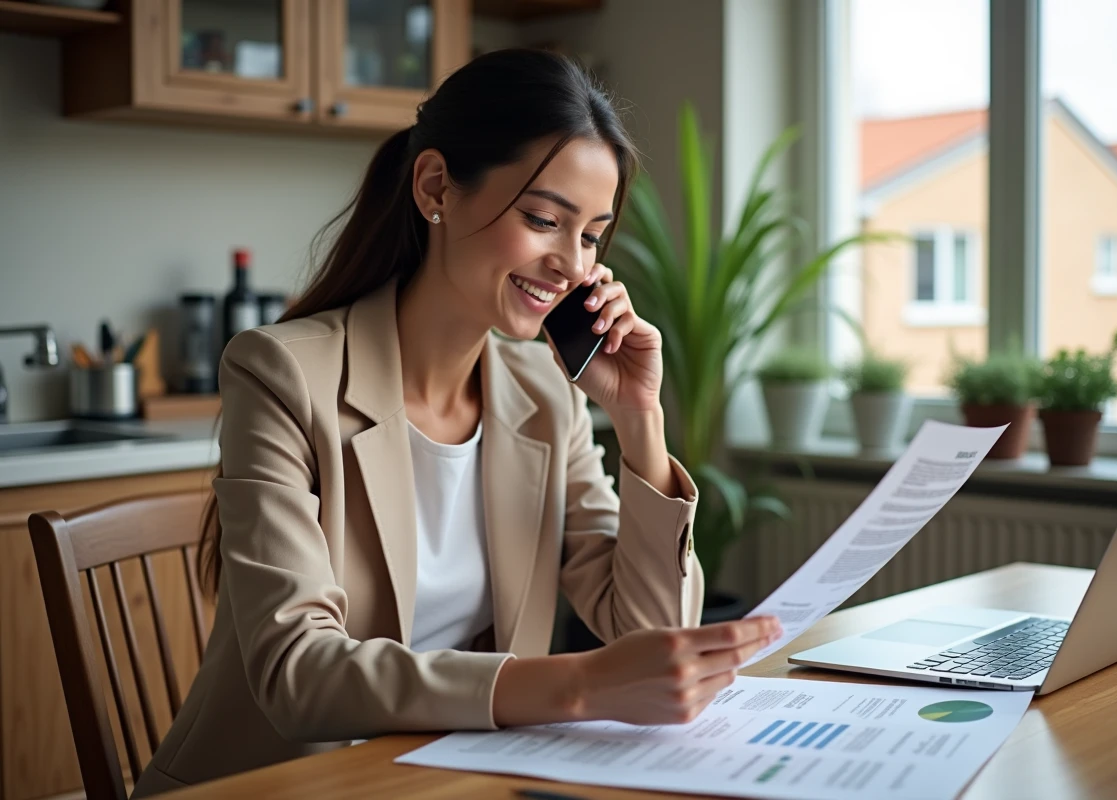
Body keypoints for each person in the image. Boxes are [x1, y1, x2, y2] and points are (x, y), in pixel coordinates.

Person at [132, 48, 782, 796]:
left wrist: (640, 420)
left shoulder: (547, 395)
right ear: (436, 186)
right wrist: (575, 685)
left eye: (591, 236)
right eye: (544, 219)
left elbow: (650, 637)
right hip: (284, 785)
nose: (574, 267)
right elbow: (298, 673)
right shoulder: (281, 373)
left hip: (448, 776)